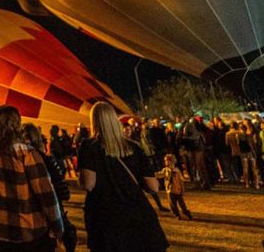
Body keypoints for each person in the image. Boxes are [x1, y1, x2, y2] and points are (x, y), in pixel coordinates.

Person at [0, 105, 63, 252]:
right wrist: (58, 226)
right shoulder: (26, 153)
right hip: (29, 229)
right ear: (17, 124)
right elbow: (45, 193)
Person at [78, 102, 168, 252]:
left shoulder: (89, 147)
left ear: (94, 121)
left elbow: (88, 184)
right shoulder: (134, 147)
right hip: (138, 215)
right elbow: (153, 186)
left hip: (106, 217)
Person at [24, 122, 74, 252]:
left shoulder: (14, 162)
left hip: (25, 224)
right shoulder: (46, 160)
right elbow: (63, 193)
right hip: (47, 222)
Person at [158, 153, 191, 220]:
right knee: (172, 204)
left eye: (167, 161)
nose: (166, 162)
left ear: (172, 161)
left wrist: (182, 189)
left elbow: (181, 181)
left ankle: (186, 213)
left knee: (182, 204)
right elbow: (160, 175)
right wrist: (154, 174)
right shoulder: (165, 170)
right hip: (170, 190)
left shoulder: (177, 171)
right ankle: (176, 215)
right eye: (165, 161)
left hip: (177, 189)